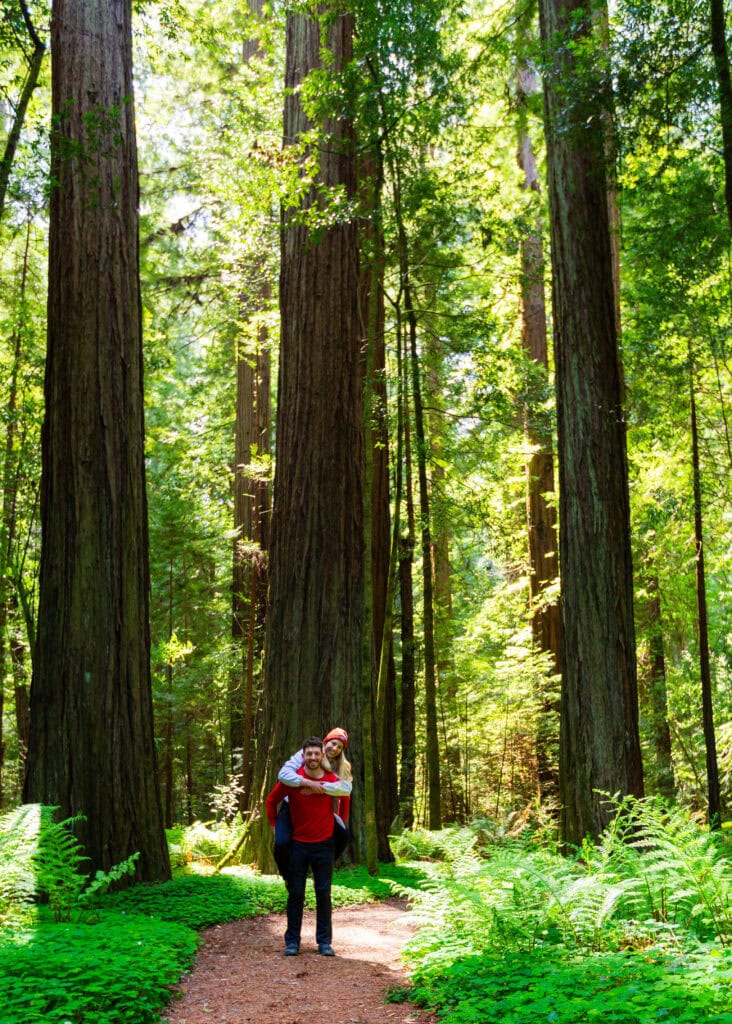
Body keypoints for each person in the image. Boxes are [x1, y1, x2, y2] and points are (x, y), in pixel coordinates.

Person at [265, 737, 339, 957]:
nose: (313, 757)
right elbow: (271, 800)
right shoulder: (293, 781)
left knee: (323, 893)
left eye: (317, 754)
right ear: (303, 756)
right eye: (309, 754)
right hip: (298, 844)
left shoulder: (332, 780)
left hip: (324, 844)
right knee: (296, 893)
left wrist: (341, 826)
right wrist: (274, 827)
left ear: (322, 756)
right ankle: (292, 942)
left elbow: (346, 796)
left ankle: (324, 942)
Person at [274, 727, 352, 883]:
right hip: (293, 807)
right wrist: (306, 782)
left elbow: (346, 790)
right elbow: (283, 775)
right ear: (326, 741)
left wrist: (318, 788)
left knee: (343, 835)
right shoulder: (309, 754)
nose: (334, 749)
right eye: (333, 743)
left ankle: (322, 862)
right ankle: (288, 876)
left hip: (321, 811)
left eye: (339, 747)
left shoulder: (341, 765)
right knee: (282, 843)